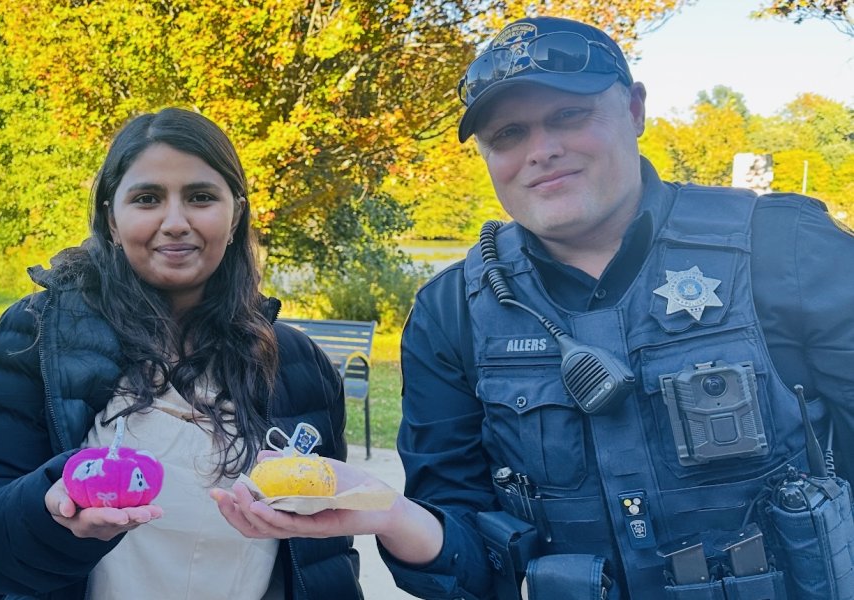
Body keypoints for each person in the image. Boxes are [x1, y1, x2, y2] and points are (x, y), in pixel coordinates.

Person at [208, 14, 854, 600]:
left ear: (634, 110)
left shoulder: (784, 248)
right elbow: (465, 557)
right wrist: (398, 519)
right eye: (509, 133)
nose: (541, 150)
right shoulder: (448, 314)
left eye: (569, 116)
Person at [0, 108, 363, 599]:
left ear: (235, 215)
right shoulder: (38, 336)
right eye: (147, 198)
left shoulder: (298, 364)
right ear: (111, 217)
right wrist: (50, 512)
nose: (175, 222)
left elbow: (328, 554)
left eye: (201, 197)